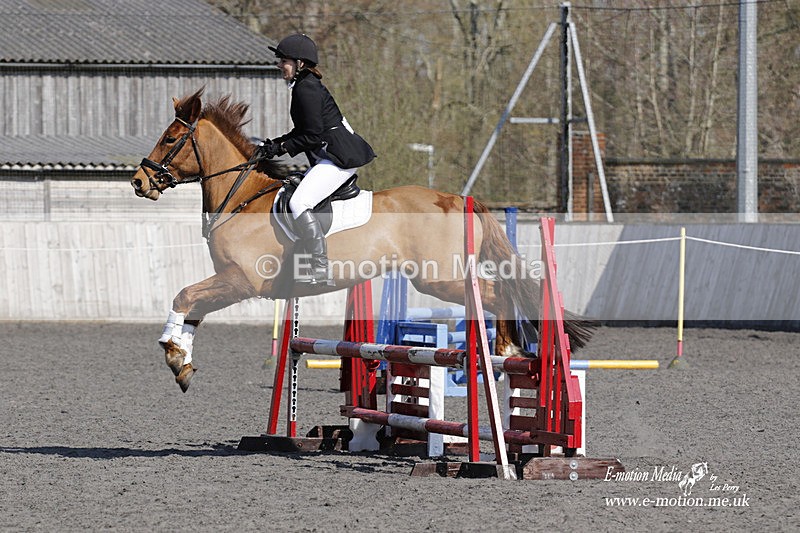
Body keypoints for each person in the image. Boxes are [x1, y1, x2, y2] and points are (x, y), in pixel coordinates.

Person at [261, 33, 376, 285]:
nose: (280, 65)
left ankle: (320, 268)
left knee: (299, 202)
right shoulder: (304, 86)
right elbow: (303, 131)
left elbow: (312, 135)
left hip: (339, 158)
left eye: (284, 61)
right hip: (330, 155)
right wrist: (275, 145)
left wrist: (282, 147)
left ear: (300, 63)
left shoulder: (307, 89)